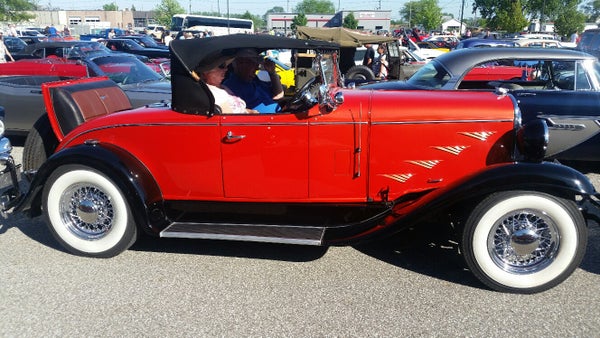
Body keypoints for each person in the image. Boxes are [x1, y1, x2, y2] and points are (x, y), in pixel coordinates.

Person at [223, 48, 283, 114]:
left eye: (257, 64)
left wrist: (272, 73)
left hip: (278, 118)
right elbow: (232, 110)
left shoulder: (254, 80)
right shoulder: (231, 86)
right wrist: (249, 112)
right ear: (240, 64)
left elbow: (278, 95)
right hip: (263, 122)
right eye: (253, 64)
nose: (257, 68)